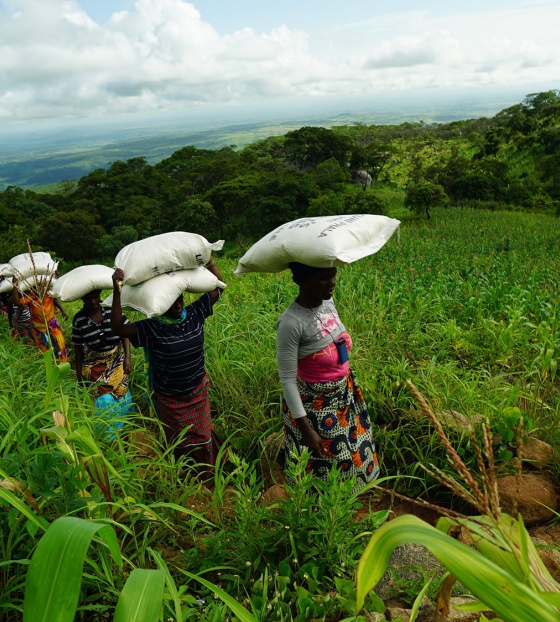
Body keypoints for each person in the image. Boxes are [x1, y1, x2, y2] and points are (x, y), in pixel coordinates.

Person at [110, 261, 224, 478]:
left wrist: (209, 262)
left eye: (180, 298)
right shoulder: (151, 327)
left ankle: (208, 475)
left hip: (197, 391)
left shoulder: (194, 313)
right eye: (171, 301)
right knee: (179, 442)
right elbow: (118, 328)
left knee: (202, 436)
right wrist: (116, 290)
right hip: (170, 399)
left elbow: (218, 287)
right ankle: (184, 478)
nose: (178, 305)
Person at [276, 262, 379, 492]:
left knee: (353, 454)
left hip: (344, 394)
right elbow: (287, 380)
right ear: (302, 280)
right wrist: (306, 430)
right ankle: (320, 517)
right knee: (325, 466)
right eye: (323, 278)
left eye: (333, 275)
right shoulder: (291, 323)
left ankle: (346, 506)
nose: (332, 282)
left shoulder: (328, 303)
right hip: (315, 408)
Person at [72, 289, 133, 429]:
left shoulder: (112, 312)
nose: (93, 302)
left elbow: (125, 333)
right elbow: (77, 347)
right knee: (103, 397)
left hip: (117, 360)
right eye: (88, 299)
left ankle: (125, 425)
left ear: (99, 296)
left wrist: (127, 357)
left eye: (95, 297)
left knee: (121, 392)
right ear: (82, 300)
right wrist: (79, 372)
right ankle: (109, 431)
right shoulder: (79, 319)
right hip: (95, 363)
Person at [12, 278, 69, 361]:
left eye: (41, 287)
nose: (39, 289)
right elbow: (17, 303)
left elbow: (55, 299)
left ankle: (62, 363)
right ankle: (50, 367)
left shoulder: (49, 294)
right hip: (39, 329)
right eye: (36, 287)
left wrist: (63, 310)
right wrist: (14, 286)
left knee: (59, 344)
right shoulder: (30, 298)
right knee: (45, 348)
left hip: (53, 326)